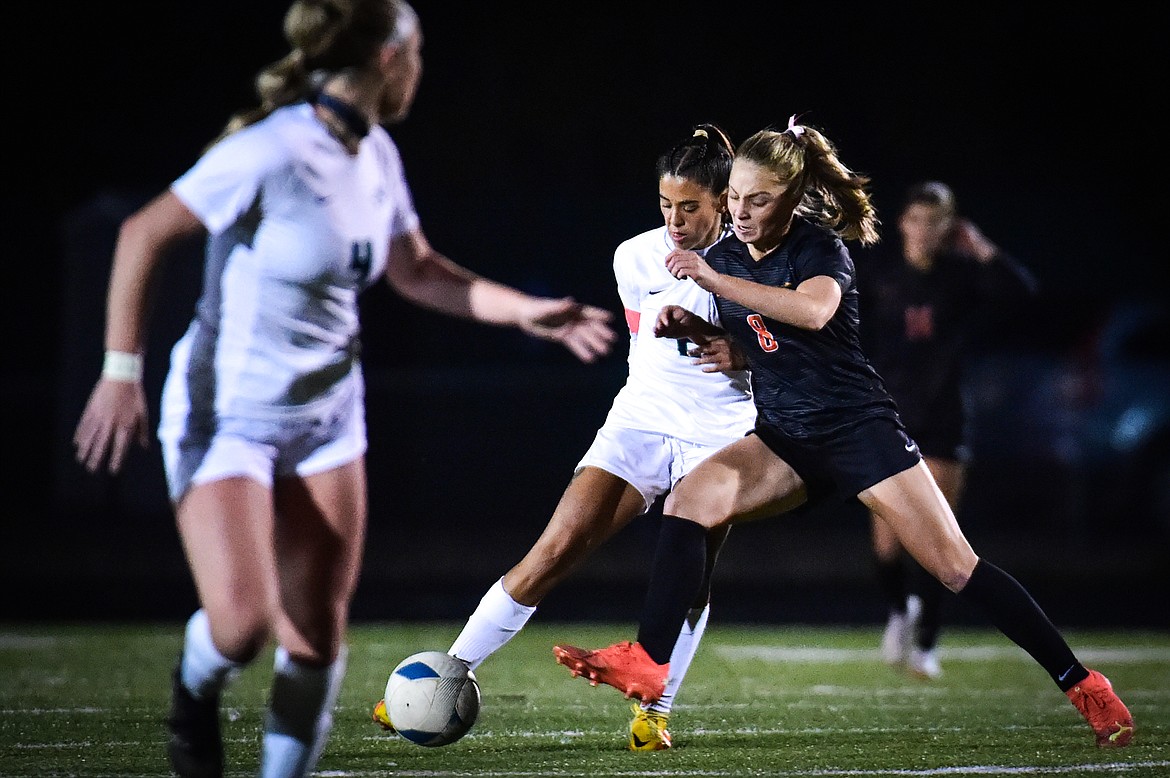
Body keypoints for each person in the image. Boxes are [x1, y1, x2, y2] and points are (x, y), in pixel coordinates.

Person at [71, 2, 616, 776]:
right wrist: (120, 372)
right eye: (419, 51)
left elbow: (416, 269)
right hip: (228, 416)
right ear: (389, 58)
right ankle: (195, 688)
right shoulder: (271, 149)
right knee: (240, 630)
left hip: (329, 418)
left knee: (318, 641)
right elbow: (142, 233)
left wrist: (530, 313)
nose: (425, 69)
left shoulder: (375, 155)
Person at [552, 117, 1135, 749]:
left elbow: (812, 311)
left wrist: (713, 284)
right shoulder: (722, 256)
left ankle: (1086, 685)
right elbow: (759, 341)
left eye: (760, 200)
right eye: (736, 199)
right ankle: (650, 661)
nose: (742, 213)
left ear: (792, 198)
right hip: (785, 439)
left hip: (859, 432)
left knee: (955, 568)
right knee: (690, 500)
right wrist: (692, 328)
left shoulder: (818, 248)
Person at [371, 123, 757, 751]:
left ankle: (654, 709)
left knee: (692, 577)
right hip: (640, 423)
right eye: (665, 205)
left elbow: (787, 351)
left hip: (724, 437)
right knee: (553, 550)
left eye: (690, 207)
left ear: (723, 201)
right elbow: (646, 347)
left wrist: (741, 353)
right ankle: (446, 675)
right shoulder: (634, 256)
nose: (675, 220)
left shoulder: (757, 262)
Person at [857, 181, 1038, 679]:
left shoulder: (961, 275)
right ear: (902, 223)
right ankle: (899, 612)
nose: (924, 232)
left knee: (942, 540)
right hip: (889, 414)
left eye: (936, 222)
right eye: (916, 220)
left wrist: (984, 251)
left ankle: (928, 646)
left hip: (943, 415)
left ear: (949, 227)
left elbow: (1023, 295)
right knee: (887, 544)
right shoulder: (879, 272)